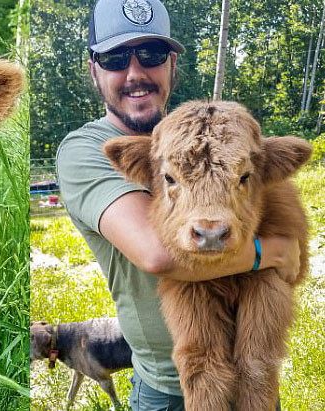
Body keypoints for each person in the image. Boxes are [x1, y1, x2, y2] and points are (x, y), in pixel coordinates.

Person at [55, 0, 298, 409]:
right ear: (94, 69)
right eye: (115, 58)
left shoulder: (207, 133)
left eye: (150, 55)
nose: (135, 73)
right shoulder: (86, 150)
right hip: (168, 388)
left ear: (171, 66)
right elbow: (156, 254)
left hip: (254, 372)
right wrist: (272, 252)